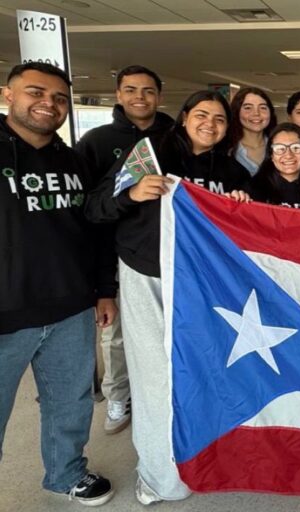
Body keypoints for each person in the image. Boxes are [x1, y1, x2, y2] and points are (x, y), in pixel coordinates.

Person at [85, 90, 251, 505]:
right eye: (201, 115)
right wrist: (132, 193)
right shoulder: (149, 154)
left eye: (219, 118)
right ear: (183, 117)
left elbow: (246, 233)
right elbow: (96, 209)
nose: (209, 124)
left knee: (203, 373)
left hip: (203, 285)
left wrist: (241, 207)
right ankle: (160, 475)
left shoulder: (230, 171)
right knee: (156, 380)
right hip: (148, 277)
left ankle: (203, 458)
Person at [0, 62, 115, 506]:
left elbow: (96, 229)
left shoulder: (75, 161)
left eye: (60, 97)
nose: (49, 103)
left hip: (71, 308)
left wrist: (104, 289)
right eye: (36, 92)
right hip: (6, 311)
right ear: (10, 95)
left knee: (71, 403)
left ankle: (66, 473)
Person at [75, 64, 174, 435]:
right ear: (118, 94)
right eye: (131, 90)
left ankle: (163, 395)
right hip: (116, 253)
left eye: (148, 91)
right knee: (116, 333)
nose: (139, 97)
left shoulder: (174, 137)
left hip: (166, 253)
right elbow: (91, 206)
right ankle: (118, 395)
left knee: (163, 330)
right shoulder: (97, 142)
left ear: (159, 96)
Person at [250, 123, 300, 211]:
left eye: (296, 148)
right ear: (271, 155)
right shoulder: (253, 190)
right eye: (280, 148)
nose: (288, 155)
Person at [229, 87, 277, 176]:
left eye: (263, 107)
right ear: (236, 112)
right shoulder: (226, 149)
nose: (256, 113)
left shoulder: (280, 147)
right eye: (248, 108)